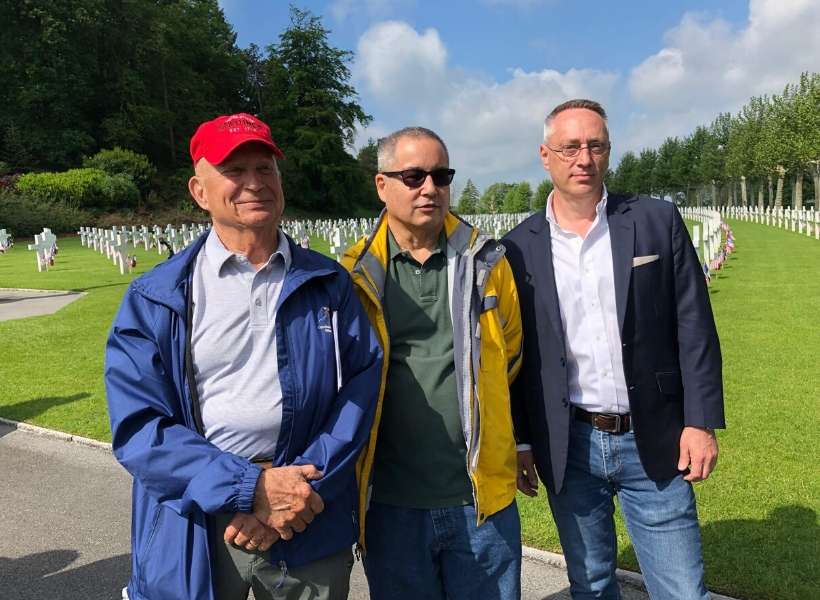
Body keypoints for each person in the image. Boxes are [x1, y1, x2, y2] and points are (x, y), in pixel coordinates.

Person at [105, 113, 382, 600]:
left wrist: (295, 493)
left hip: (307, 514)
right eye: (235, 170)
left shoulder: (328, 283)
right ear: (200, 190)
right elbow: (139, 424)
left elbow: (360, 387)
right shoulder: (157, 295)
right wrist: (249, 489)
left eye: (265, 169)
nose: (254, 183)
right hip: (198, 520)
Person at [502, 99, 724, 600]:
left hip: (655, 434)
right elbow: (515, 355)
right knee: (592, 583)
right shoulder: (516, 247)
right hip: (570, 442)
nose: (584, 158)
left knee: (684, 590)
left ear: (608, 151)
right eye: (569, 147)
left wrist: (700, 420)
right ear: (545, 154)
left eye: (595, 145)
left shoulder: (654, 221)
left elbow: (694, 325)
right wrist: (519, 441)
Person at [341, 127, 524, 600]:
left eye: (441, 175)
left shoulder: (487, 260)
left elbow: (511, 355)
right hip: (392, 505)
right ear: (382, 185)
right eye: (414, 175)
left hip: (480, 500)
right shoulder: (353, 274)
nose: (430, 188)